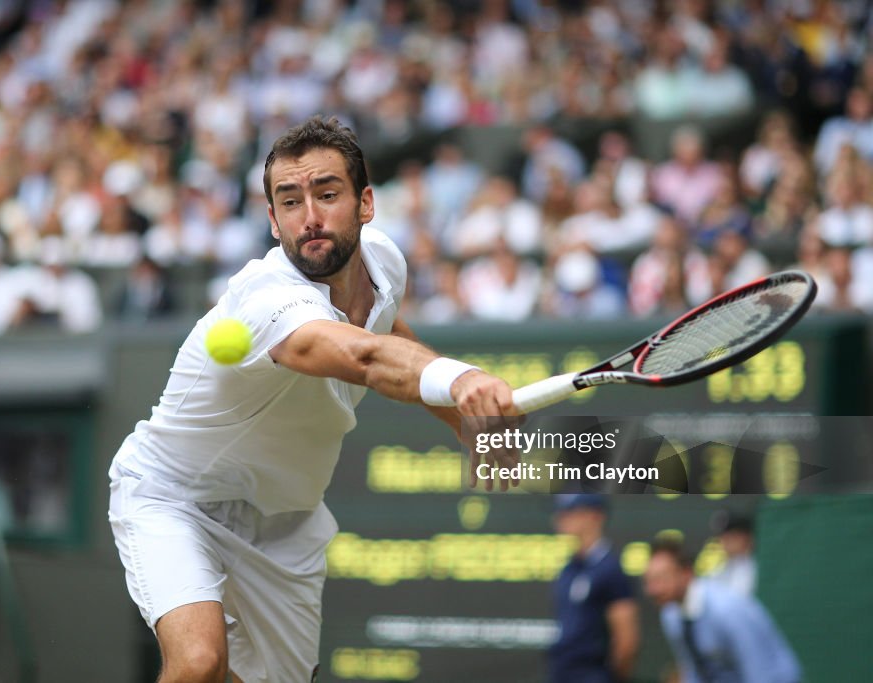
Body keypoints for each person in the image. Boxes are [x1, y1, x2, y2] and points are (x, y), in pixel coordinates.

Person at [107, 116, 517, 683]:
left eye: (327, 194)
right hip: (175, 498)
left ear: (365, 203)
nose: (312, 218)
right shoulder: (264, 298)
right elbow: (363, 358)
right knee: (200, 663)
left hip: (287, 523)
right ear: (273, 220)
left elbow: (387, 334)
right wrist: (461, 378)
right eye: (291, 202)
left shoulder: (383, 262)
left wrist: (462, 420)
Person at [644, 539, 802, 683]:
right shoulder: (670, 615)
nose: (652, 590)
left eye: (661, 578)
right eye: (649, 581)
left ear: (686, 573)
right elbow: (693, 670)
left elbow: (759, 671)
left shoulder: (727, 610)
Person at [548, 494, 639, 683]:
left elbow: (627, 639)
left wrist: (611, 677)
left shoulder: (610, 569)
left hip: (592, 673)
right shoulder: (569, 569)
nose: (561, 519)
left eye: (571, 512)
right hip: (562, 671)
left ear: (595, 516)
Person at [709, 512, 757, 596]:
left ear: (746, 537)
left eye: (732, 536)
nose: (725, 541)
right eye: (723, 536)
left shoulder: (755, 566)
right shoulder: (723, 567)